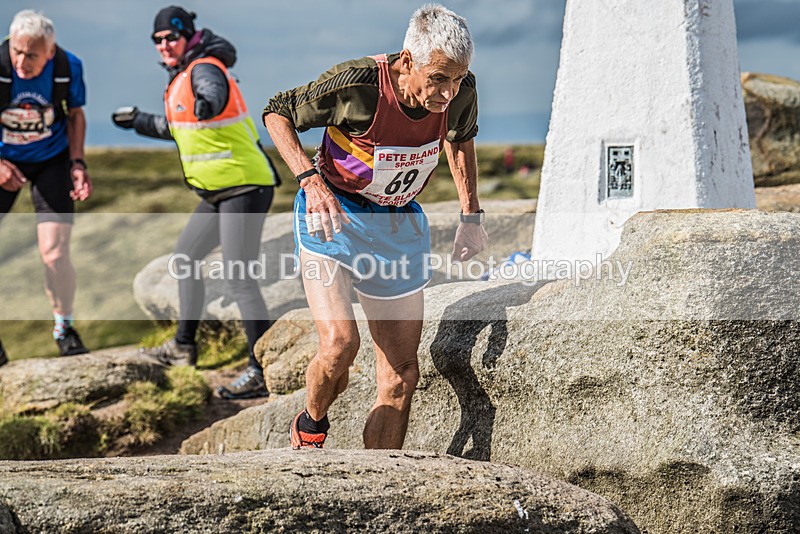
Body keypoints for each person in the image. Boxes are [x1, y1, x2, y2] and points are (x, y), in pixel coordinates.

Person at [263, 4, 487, 449]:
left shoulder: (461, 93)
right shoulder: (359, 85)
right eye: (439, 78)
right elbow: (277, 112)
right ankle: (310, 426)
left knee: (403, 375)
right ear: (408, 62)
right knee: (340, 347)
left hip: (397, 225)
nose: (449, 91)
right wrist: (310, 181)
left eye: (458, 78)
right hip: (334, 216)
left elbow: (460, 141)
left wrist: (471, 216)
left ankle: (379, 484)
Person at [112, 6, 279, 399]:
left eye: (171, 37)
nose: (165, 45)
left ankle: (263, 370)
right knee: (185, 257)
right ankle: (183, 346)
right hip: (218, 192)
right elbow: (179, 128)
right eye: (158, 40)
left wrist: (208, 102)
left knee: (239, 276)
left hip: (245, 185)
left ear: (188, 36)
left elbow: (213, 96)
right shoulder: (182, 77)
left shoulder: (204, 66)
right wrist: (137, 121)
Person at [0, 10, 92, 357]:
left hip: (51, 160)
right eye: (17, 52)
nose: (22, 62)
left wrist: (78, 162)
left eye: (32, 55)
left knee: (55, 254)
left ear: (49, 52)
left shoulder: (69, 68)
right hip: (3, 158)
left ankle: (64, 327)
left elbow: (76, 114)